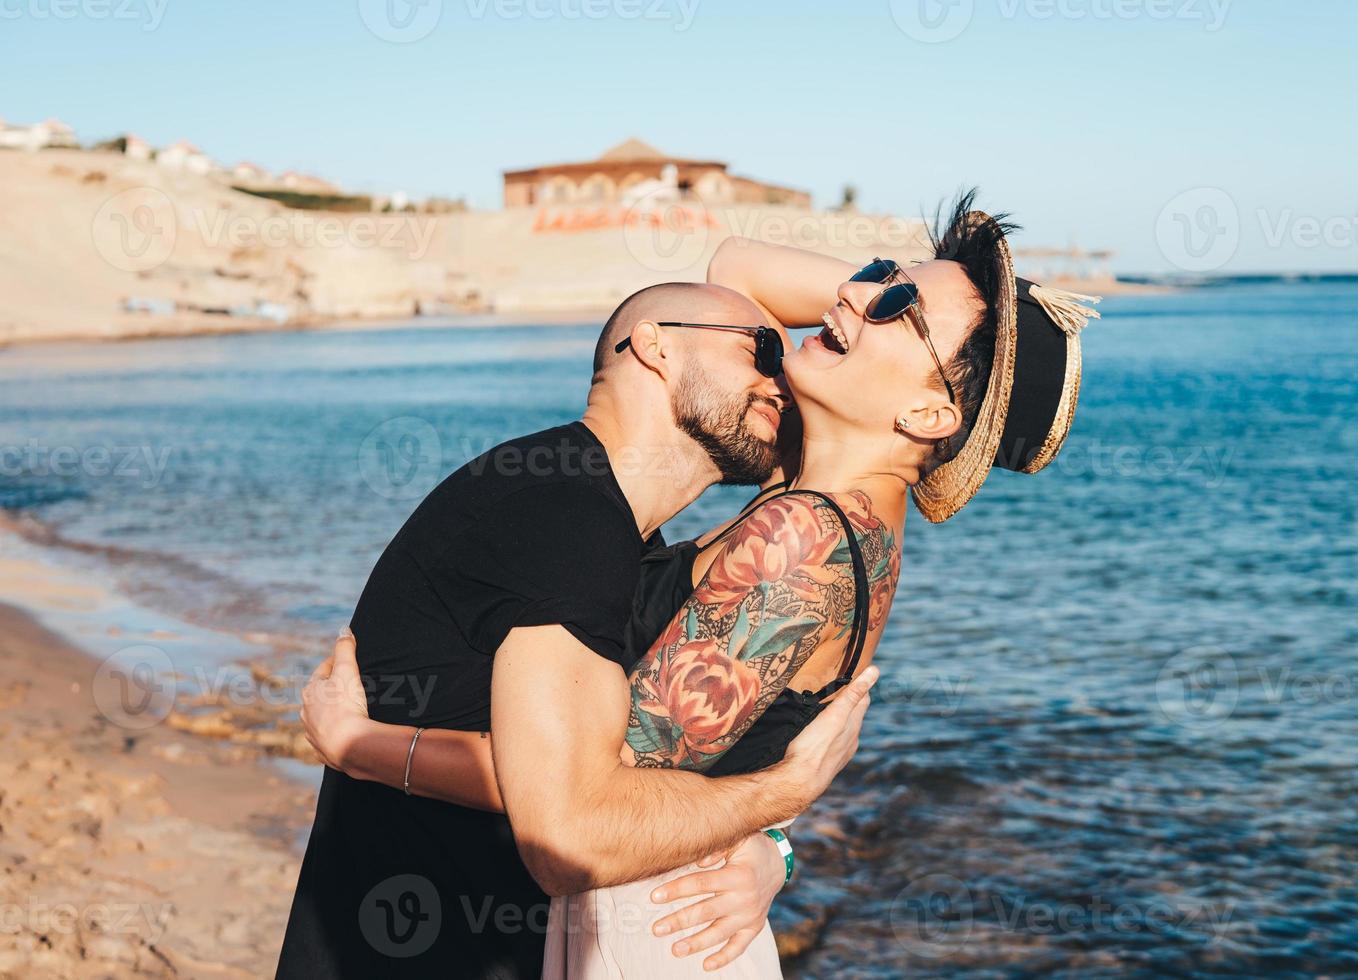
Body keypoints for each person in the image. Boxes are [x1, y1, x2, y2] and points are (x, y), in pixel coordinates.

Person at [299, 193, 1098, 976]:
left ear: (928, 416)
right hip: (652, 906)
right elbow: (735, 267)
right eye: (877, 271)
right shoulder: (814, 486)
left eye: (896, 302)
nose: (854, 290)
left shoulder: (805, 537)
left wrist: (365, 749)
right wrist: (874, 310)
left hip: (655, 929)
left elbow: (588, 812)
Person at [276, 280, 880, 980]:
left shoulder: (604, 524)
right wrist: (787, 790)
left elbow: (640, 755)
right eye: (762, 350)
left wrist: (772, 847)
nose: (781, 379)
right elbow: (570, 802)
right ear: (654, 346)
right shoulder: (567, 520)